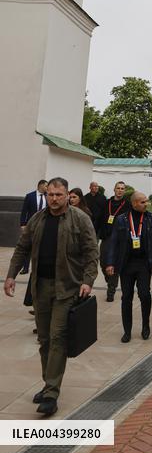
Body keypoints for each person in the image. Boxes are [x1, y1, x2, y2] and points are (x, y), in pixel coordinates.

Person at [4, 176, 98, 416]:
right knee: (44, 339)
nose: (54, 199)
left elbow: (91, 253)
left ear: (67, 195)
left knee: (57, 338)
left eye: (59, 195)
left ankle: (51, 394)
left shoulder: (80, 219)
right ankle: (49, 383)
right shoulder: (37, 219)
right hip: (41, 288)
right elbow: (22, 248)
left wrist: (88, 281)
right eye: (50, 195)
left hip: (67, 288)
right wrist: (11, 275)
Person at [105, 191, 152, 343]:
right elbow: (113, 243)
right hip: (127, 264)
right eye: (143, 202)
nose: (146, 204)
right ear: (134, 203)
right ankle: (127, 331)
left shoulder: (150, 219)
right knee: (126, 297)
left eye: (146, 201)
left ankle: (145, 326)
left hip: (144, 263)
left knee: (145, 294)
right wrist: (110, 263)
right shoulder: (121, 220)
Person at [97, 181, 130, 301]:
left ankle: (111, 290)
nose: (120, 190)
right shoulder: (107, 203)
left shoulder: (127, 205)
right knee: (103, 262)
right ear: (114, 189)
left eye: (122, 188)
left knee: (113, 264)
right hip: (106, 237)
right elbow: (100, 218)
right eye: (118, 188)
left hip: (119, 239)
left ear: (124, 191)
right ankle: (110, 280)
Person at [19, 180, 48, 274]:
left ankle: (39, 268)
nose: (47, 188)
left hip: (44, 224)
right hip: (31, 225)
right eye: (46, 186)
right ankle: (25, 268)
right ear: (41, 185)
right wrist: (23, 224)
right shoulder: (30, 196)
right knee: (28, 246)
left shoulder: (48, 196)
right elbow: (24, 211)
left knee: (41, 247)